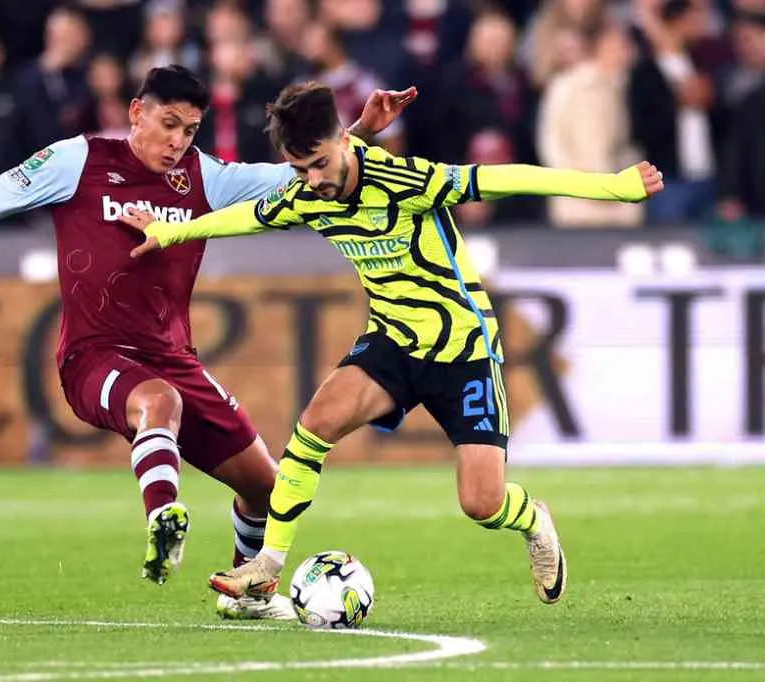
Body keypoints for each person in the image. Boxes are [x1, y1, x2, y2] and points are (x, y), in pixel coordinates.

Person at [121, 81, 665, 606]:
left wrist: (613, 188)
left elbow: (507, 178)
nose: (312, 180)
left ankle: (533, 519)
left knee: (482, 503)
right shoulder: (307, 197)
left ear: (343, 141)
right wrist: (169, 233)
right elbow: (247, 218)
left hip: (462, 349)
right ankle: (268, 565)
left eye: (319, 164)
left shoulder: (403, 180)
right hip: (393, 343)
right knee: (314, 426)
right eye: (300, 169)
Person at [0, 65, 415, 620]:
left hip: (174, 359)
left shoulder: (204, 176)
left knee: (267, 488)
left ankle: (247, 597)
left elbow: (291, 177)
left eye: (190, 130)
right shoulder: (78, 160)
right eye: (169, 124)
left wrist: (358, 133)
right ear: (137, 112)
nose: (178, 141)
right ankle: (163, 516)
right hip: (94, 355)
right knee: (160, 402)